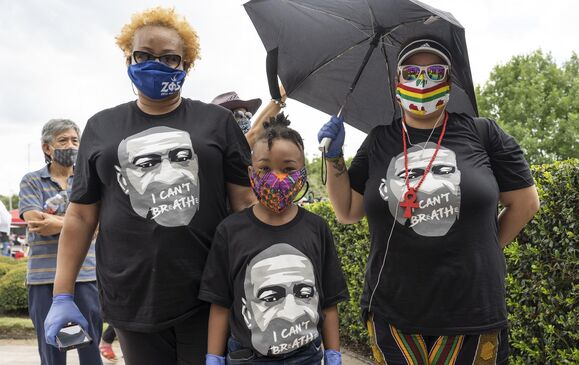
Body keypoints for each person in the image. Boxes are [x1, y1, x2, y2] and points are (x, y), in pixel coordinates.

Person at [44, 7, 256, 365]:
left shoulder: (217, 123)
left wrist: (257, 276)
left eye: (169, 58)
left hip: (210, 295)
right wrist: (61, 295)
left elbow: (245, 204)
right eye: (144, 55)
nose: (155, 64)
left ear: (186, 65)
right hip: (132, 299)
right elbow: (80, 217)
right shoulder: (100, 127)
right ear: (129, 58)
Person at [318, 39, 540, 365]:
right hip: (392, 312)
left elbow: (525, 203)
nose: (422, 81)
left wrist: (485, 247)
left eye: (434, 71)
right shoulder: (380, 140)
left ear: (449, 81)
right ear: (397, 82)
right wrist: (333, 156)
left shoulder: (483, 133)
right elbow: (347, 211)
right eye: (411, 71)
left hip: (473, 310)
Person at [200, 114, 349, 365]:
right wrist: (214, 356)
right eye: (265, 169)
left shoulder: (317, 228)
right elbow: (221, 303)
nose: (277, 178)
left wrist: (333, 353)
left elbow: (329, 302)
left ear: (302, 172)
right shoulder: (230, 231)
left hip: (307, 357)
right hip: (248, 358)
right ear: (251, 173)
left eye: (288, 169)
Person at [19, 119, 102, 365]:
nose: (71, 145)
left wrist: (56, 222)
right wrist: (82, 224)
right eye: (63, 140)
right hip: (43, 279)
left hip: (86, 276)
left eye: (75, 140)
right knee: (52, 351)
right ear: (47, 148)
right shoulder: (32, 181)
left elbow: (100, 225)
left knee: (90, 348)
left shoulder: (88, 180)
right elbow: (35, 222)